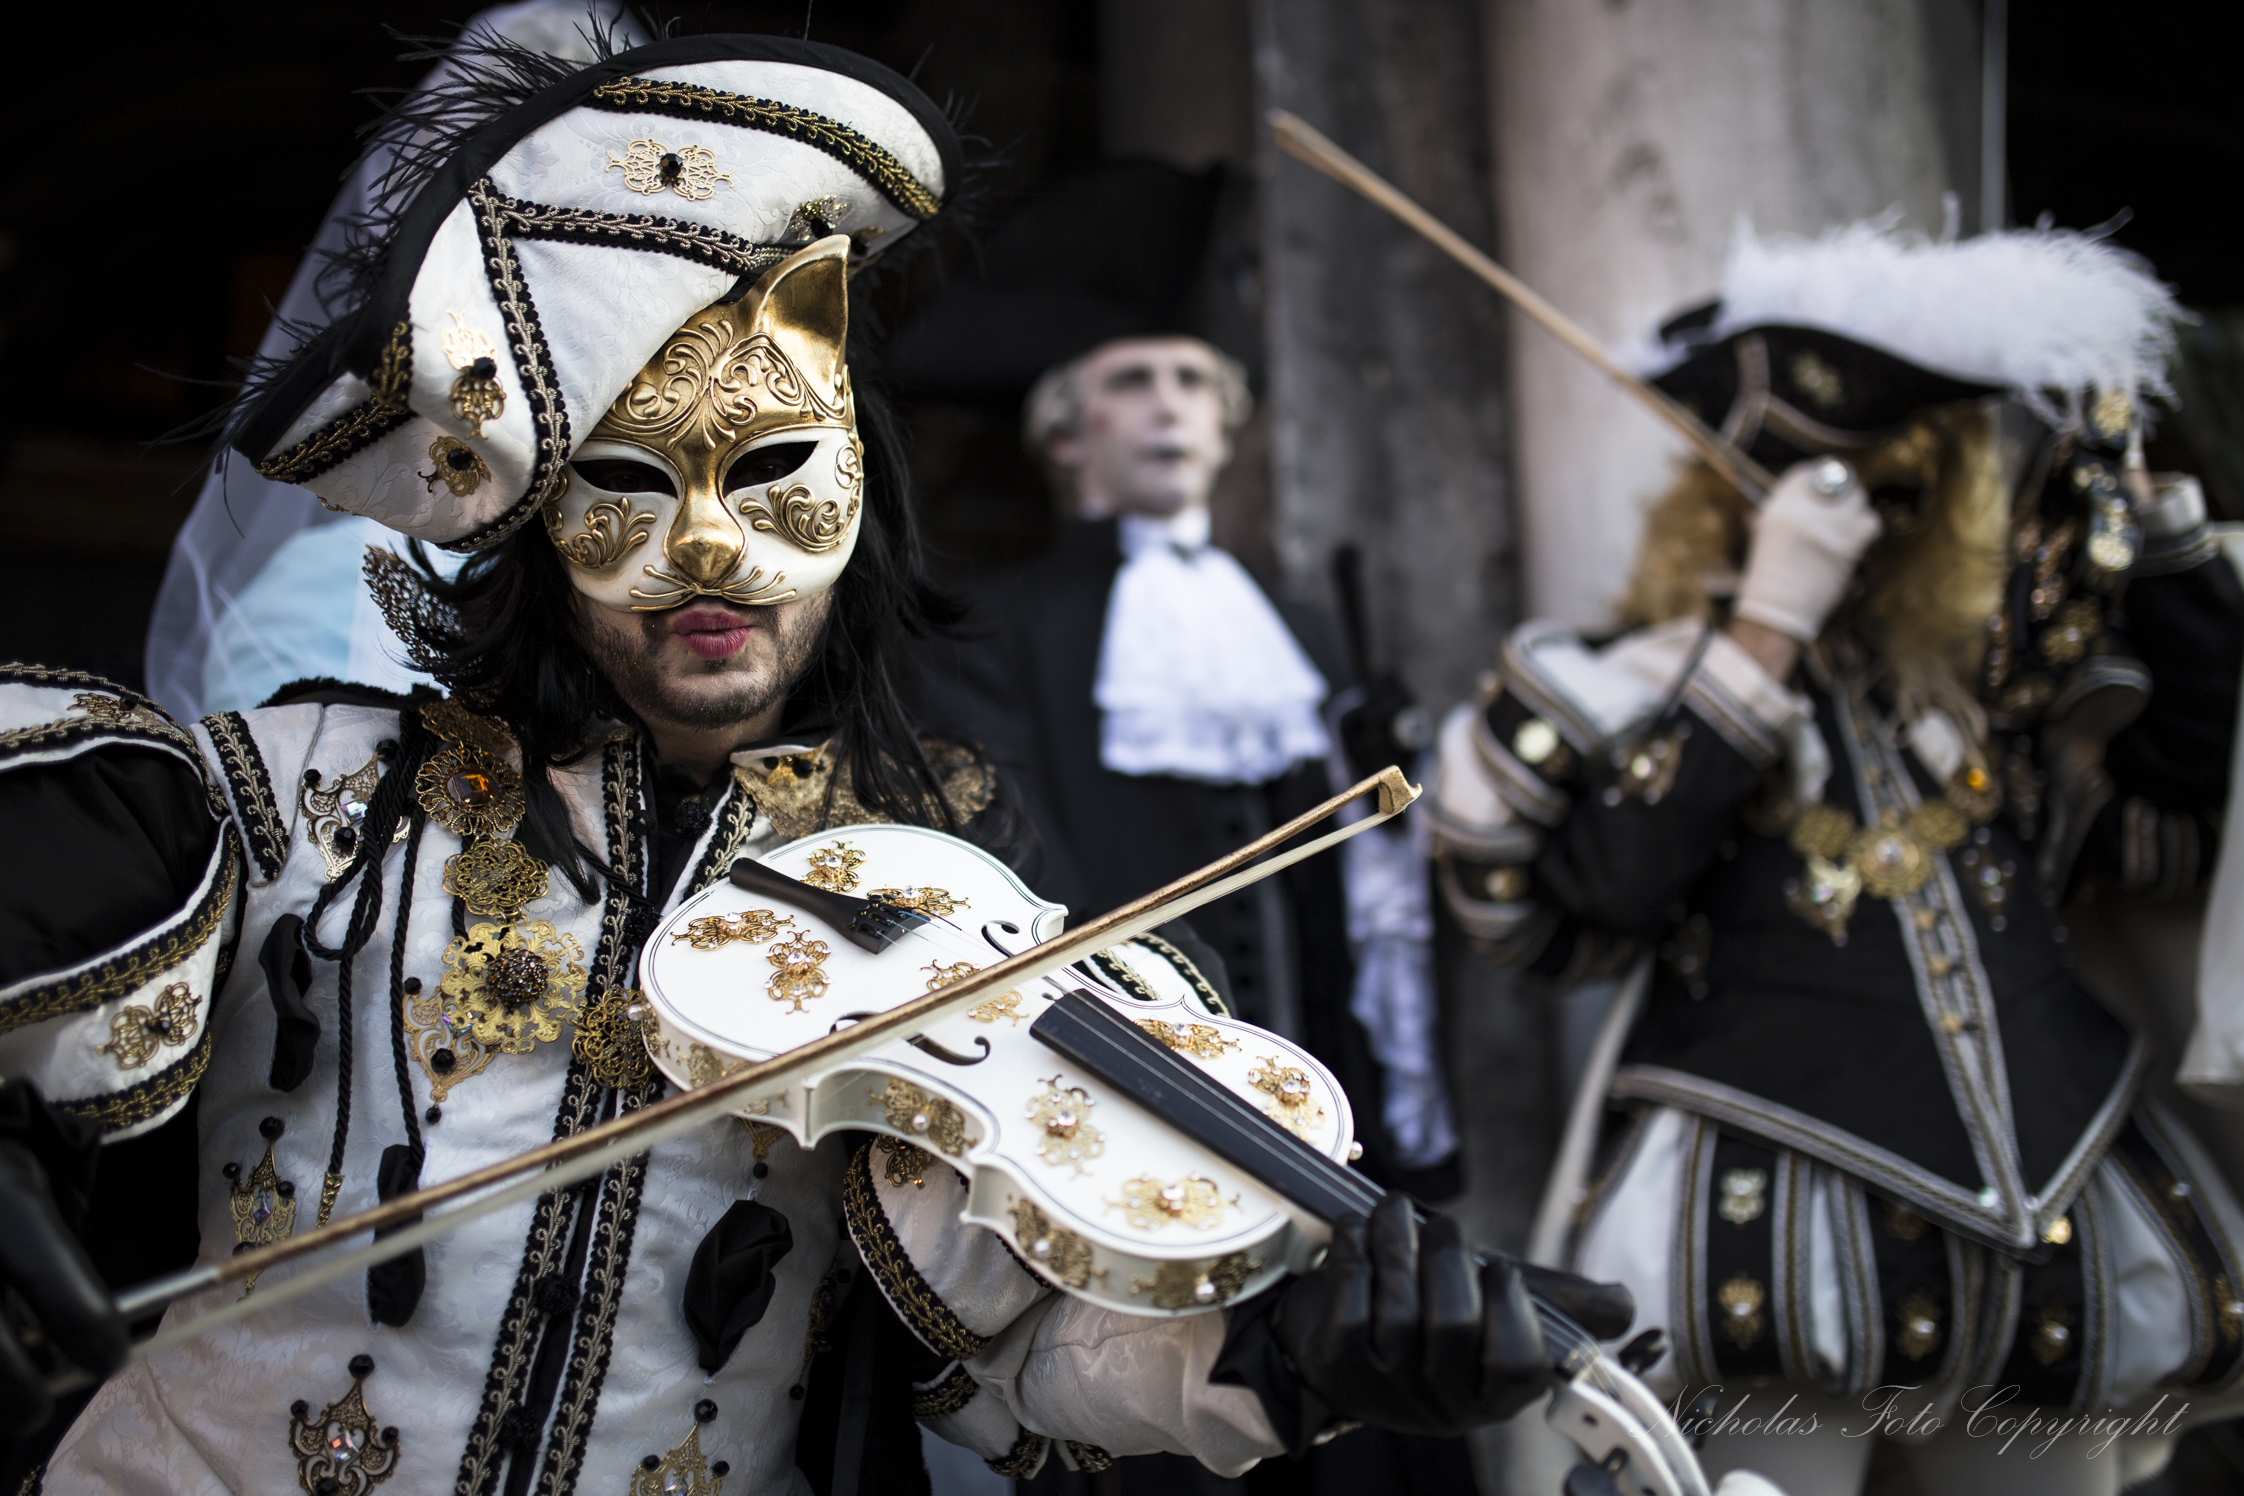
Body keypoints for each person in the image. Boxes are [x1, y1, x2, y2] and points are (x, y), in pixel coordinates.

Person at [0, 29, 1623, 1496]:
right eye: (634, 483)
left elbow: (1019, 1352)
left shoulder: (929, 910)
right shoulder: (314, 800)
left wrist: (1289, 1359)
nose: (711, 553)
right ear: (540, 525)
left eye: (772, 466)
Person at [1427, 218, 2244, 1496]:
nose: (1877, 524)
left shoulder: (1990, 701)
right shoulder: (1632, 687)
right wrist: (1760, 633)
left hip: (2053, 1210)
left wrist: (2158, 537)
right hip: (1773, 1235)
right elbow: (1580, 905)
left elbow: (2175, 816)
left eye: (1911, 494)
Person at [897, 163, 1462, 1219]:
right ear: (1067, 429)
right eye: (1133, 380)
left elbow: (1364, 887)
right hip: (1126, 1084)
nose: (1169, 405)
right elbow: (1013, 862)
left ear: (1227, 418)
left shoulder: (1299, 628)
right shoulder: (990, 628)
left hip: (1319, 1078)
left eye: (1194, 380)